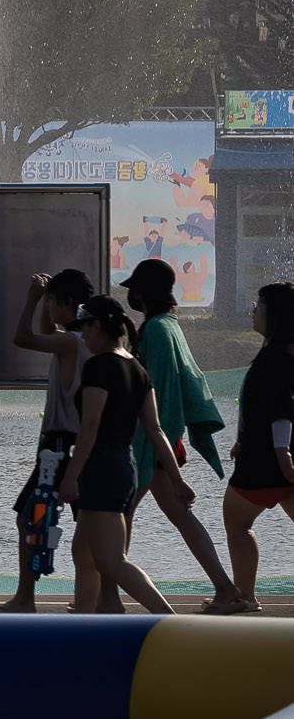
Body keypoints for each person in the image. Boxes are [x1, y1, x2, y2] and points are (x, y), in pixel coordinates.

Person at [120, 258, 250, 612]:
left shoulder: (156, 331)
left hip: (152, 438)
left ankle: (105, 591)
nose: (129, 294)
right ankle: (225, 587)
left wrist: (146, 441)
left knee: (120, 512)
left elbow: (156, 389)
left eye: (133, 288)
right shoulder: (168, 324)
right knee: (179, 515)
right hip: (164, 437)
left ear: (143, 293)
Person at [59, 295, 185, 614]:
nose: (82, 336)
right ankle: (87, 627)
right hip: (123, 466)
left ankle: (170, 621)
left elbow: (90, 425)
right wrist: (177, 479)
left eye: (84, 328)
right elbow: (155, 431)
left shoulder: (100, 366)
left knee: (112, 561)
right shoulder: (136, 367)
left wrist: (71, 477)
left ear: (97, 325)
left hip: (100, 467)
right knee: (83, 553)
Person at [0, 269, 96, 614]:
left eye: (53, 300)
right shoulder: (85, 337)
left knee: (31, 516)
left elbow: (24, 338)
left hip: (60, 446)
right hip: (82, 442)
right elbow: (44, 332)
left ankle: (26, 598)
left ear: (66, 302)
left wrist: (31, 300)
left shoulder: (72, 342)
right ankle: (92, 598)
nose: (48, 305)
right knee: (88, 523)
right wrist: (44, 303)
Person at [225, 282, 294, 607]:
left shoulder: (276, 357)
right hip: (269, 456)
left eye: (260, 304)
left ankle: (245, 596)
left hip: (268, 462)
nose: (254, 310)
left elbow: (281, 411)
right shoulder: (280, 352)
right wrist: (243, 438)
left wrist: (282, 456)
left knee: (237, 521)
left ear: (276, 314)